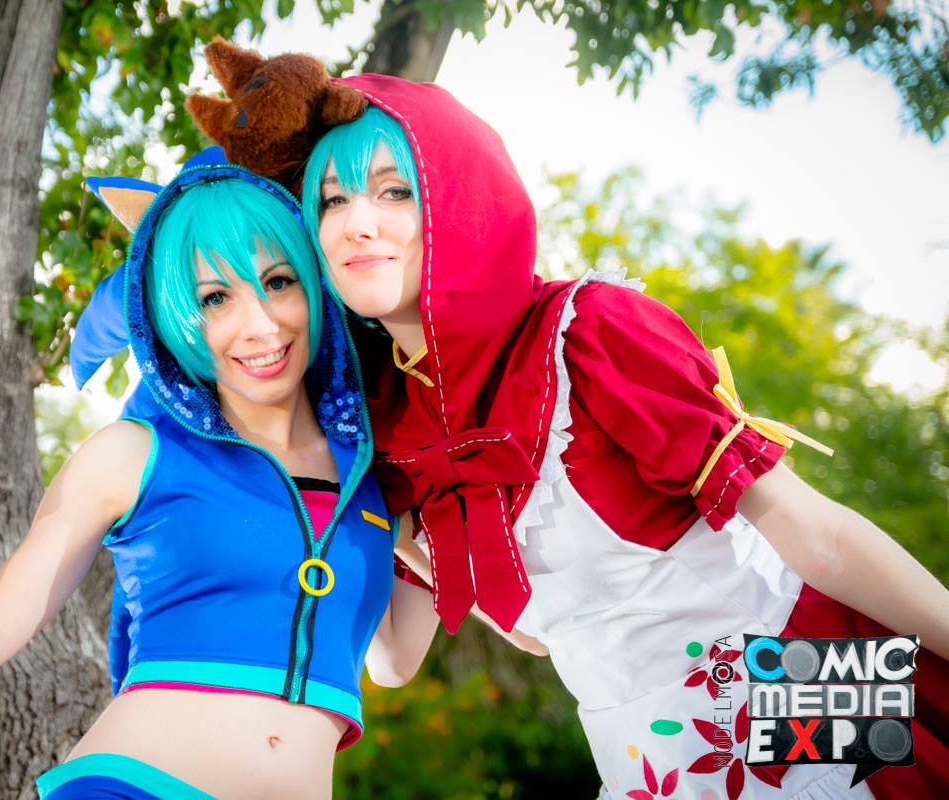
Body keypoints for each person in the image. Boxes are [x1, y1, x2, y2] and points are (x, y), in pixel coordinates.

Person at [232, 71, 949, 798]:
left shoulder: (588, 332)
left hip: (788, 684)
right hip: (643, 761)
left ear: (458, 196)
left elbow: (817, 538)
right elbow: (397, 660)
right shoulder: (393, 425)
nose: (357, 223)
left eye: (394, 191)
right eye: (332, 200)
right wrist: (311, 464)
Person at [0, 150, 438, 800]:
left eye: (277, 282)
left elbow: (394, 658)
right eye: (216, 298)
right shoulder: (132, 456)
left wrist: (462, 480)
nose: (260, 325)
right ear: (178, 319)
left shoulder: (374, 485)